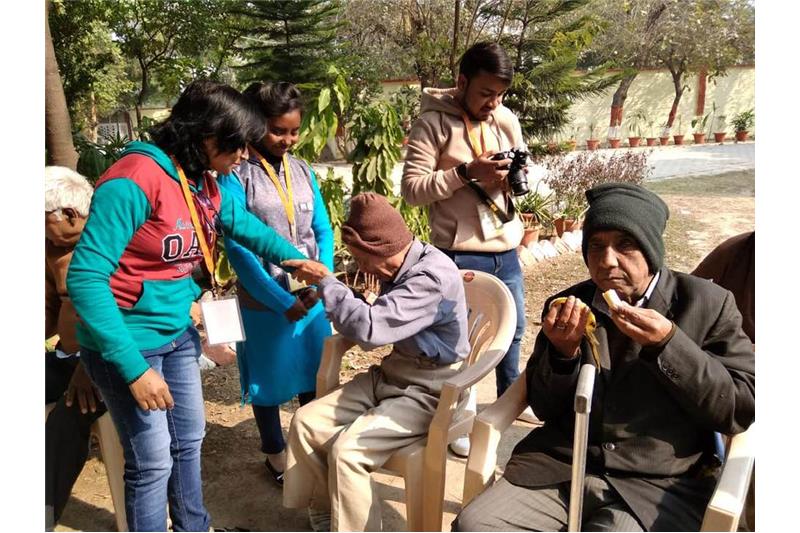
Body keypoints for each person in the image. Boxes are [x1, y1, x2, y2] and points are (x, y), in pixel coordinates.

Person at [66, 80, 310, 532]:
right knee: (152, 461)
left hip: (176, 334)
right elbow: (85, 278)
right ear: (206, 134)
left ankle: (193, 526)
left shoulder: (201, 181)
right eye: (237, 144)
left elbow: (240, 223)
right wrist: (134, 370)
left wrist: (294, 259)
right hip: (128, 344)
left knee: (188, 441)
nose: (244, 155)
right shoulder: (134, 179)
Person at [453, 183, 755, 531]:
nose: (607, 260)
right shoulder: (569, 305)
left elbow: (739, 407)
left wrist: (668, 344)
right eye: (596, 246)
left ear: (651, 249)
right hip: (561, 466)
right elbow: (544, 408)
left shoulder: (707, 304)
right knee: (476, 525)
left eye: (625, 245)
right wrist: (563, 355)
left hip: (654, 484)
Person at [281, 192, 470, 532]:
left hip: (432, 390)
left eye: (360, 258)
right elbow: (377, 319)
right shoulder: (400, 265)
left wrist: (327, 281)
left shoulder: (430, 277)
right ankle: (327, 513)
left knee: (348, 452)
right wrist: (336, 294)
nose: (361, 267)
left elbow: (371, 329)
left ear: (379, 249)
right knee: (306, 422)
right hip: (394, 372)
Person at [401, 42, 535, 448]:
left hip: (505, 249)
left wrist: (515, 175)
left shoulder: (505, 119)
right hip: (457, 254)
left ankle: (510, 400)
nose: (493, 104)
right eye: (485, 93)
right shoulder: (432, 124)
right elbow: (412, 190)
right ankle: (458, 417)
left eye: (501, 95)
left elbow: (524, 165)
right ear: (462, 82)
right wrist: (465, 174)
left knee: (513, 332)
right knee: (462, 342)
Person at [216, 81, 334, 486]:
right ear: (255, 124)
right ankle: (274, 452)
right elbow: (239, 248)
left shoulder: (302, 170)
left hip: (311, 297)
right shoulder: (235, 175)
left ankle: (310, 445)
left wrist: (321, 279)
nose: (287, 140)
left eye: (294, 131)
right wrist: (279, 300)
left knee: (312, 373)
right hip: (265, 300)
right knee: (267, 380)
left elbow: (322, 229)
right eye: (278, 130)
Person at [44, 166, 107, 530]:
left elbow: (127, 315)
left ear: (69, 213)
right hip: (67, 358)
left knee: (67, 421)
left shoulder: (113, 238)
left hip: (111, 364)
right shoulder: (52, 248)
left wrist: (89, 365)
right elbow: (48, 311)